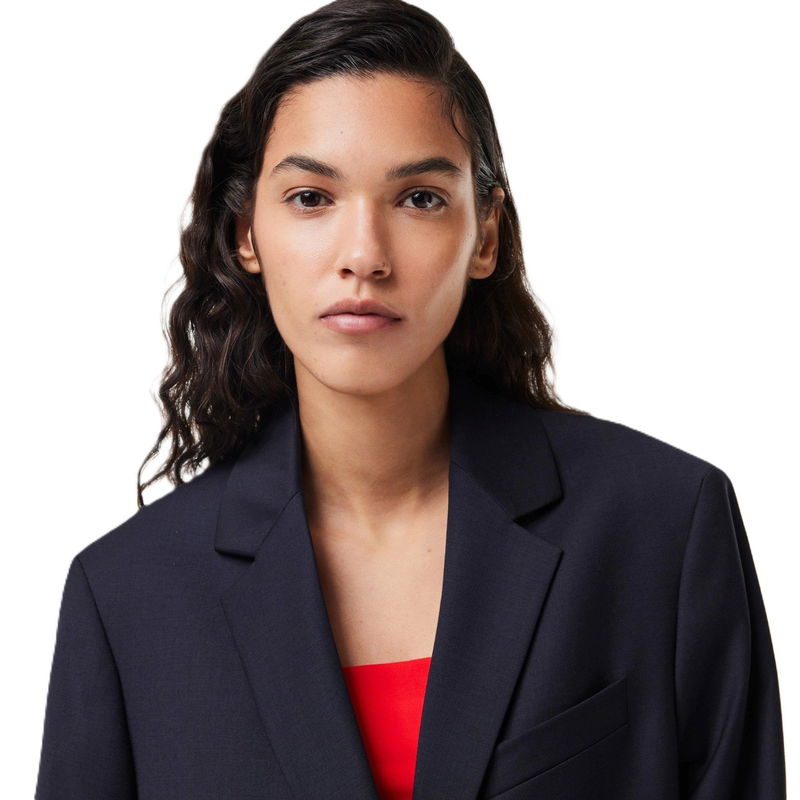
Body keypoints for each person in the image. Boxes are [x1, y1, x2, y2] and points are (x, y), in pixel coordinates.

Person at [35, 1, 785, 798]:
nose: (364, 255)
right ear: (245, 233)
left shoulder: (662, 528)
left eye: (419, 197)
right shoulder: (127, 598)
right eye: (311, 198)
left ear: (485, 234)